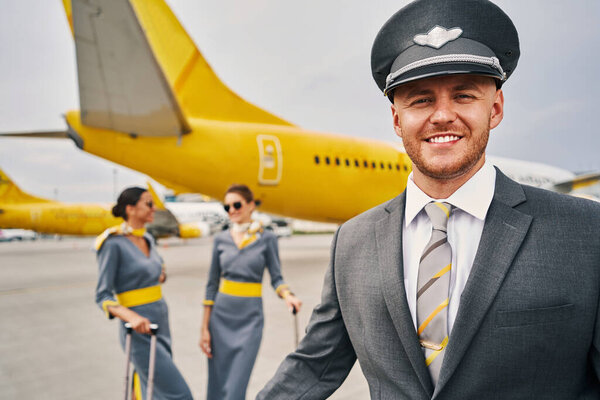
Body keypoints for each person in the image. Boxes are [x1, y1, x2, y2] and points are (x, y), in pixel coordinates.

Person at [258, 0, 600, 398]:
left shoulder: (585, 233)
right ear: (397, 119)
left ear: (496, 109)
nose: (441, 115)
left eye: (464, 95)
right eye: (421, 99)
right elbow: (315, 367)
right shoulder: (352, 242)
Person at [199, 184, 302, 400]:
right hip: (220, 318)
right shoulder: (221, 239)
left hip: (250, 318)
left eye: (237, 205)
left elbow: (276, 277)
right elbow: (211, 284)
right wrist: (204, 328)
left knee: (237, 386)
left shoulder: (267, 238)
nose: (232, 210)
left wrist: (287, 295)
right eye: (227, 207)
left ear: (251, 205)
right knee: (217, 384)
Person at [95, 187, 193, 400]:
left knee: (151, 389)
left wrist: (160, 275)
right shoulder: (113, 243)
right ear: (130, 209)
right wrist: (131, 317)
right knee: (179, 394)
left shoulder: (148, 238)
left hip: (161, 322)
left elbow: (156, 271)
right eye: (148, 203)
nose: (154, 208)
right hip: (139, 329)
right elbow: (102, 295)